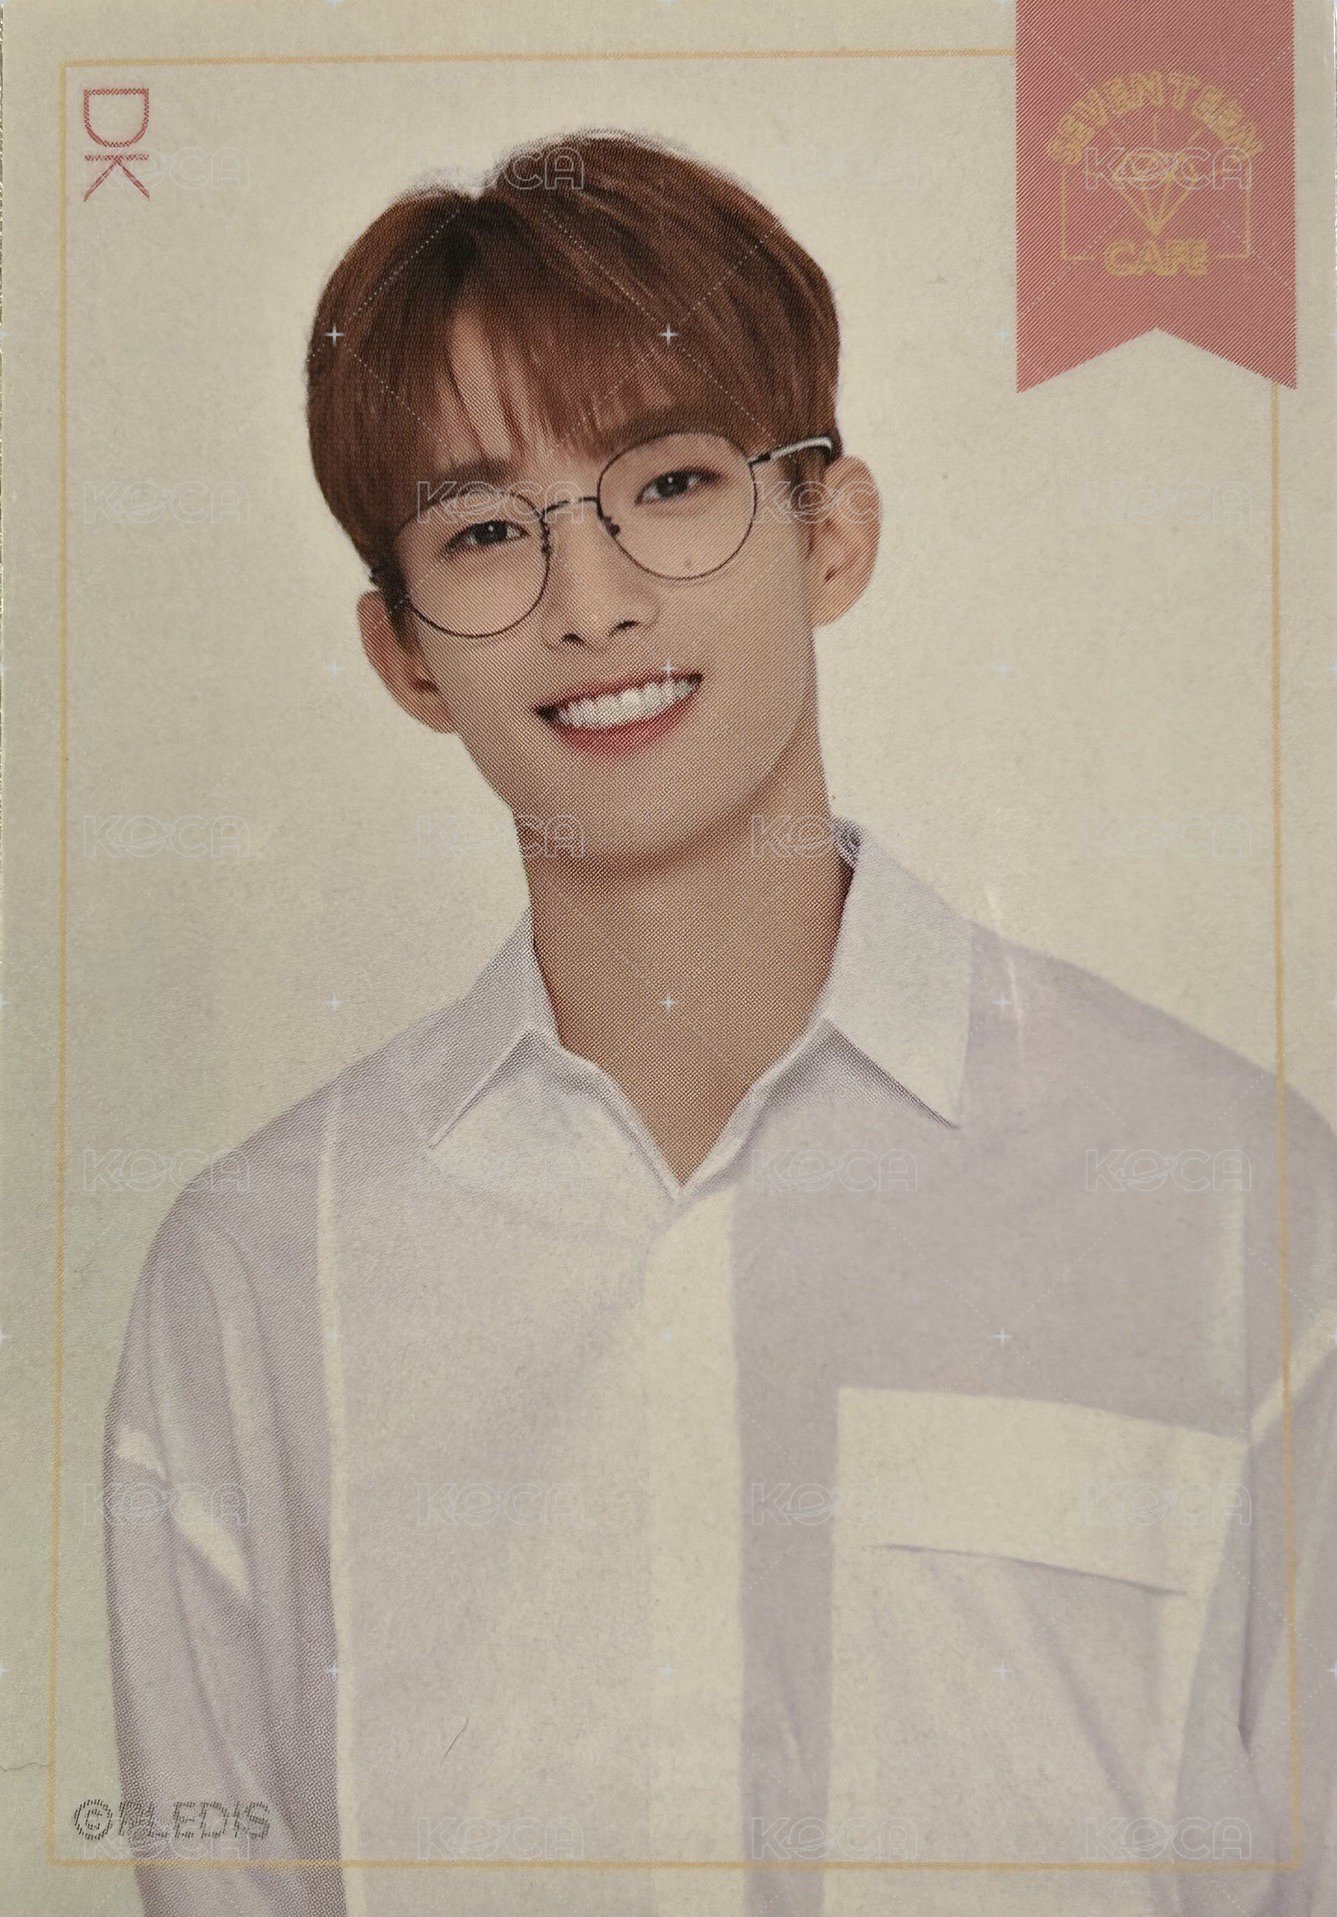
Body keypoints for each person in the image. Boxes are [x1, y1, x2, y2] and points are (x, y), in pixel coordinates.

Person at [105, 130, 1336, 1917]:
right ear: (403, 655)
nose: (592, 599)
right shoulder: (258, 1280)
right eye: (484, 530)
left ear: (830, 532)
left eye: (670, 483)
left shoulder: (1230, 1202)